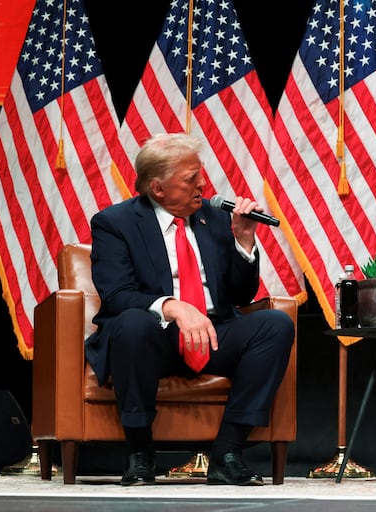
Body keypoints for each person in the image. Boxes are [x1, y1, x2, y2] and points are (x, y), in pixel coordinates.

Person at [85, 133, 294, 486]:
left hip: (214, 334)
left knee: (275, 324)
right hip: (157, 339)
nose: (203, 184)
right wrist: (172, 307)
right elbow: (117, 295)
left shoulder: (211, 218)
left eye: (200, 174)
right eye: (190, 178)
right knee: (133, 324)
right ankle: (140, 454)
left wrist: (244, 241)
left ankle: (227, 453)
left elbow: (242, 296)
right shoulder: (114, 223)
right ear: (158, 188)